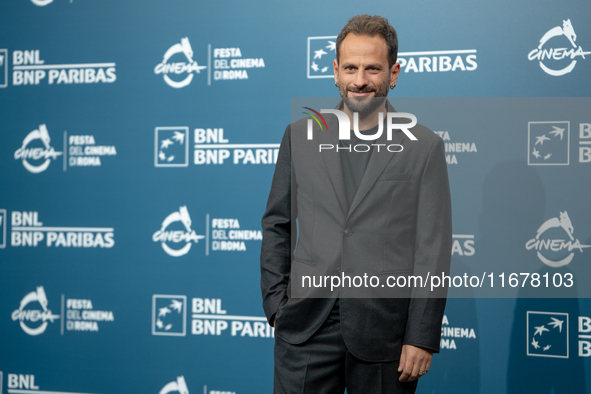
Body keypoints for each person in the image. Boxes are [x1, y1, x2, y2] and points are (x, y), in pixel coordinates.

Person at [260, 14, 452, 393]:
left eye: (372, 68)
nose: (360, 80)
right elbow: (277, 223)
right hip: (305, 326)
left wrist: (421, 336)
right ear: (335, 70)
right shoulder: (300, 136)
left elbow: (432, 247)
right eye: (350, 67)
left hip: (386, 335)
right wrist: (276, 305)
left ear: (394, 73)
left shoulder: (424, 146)